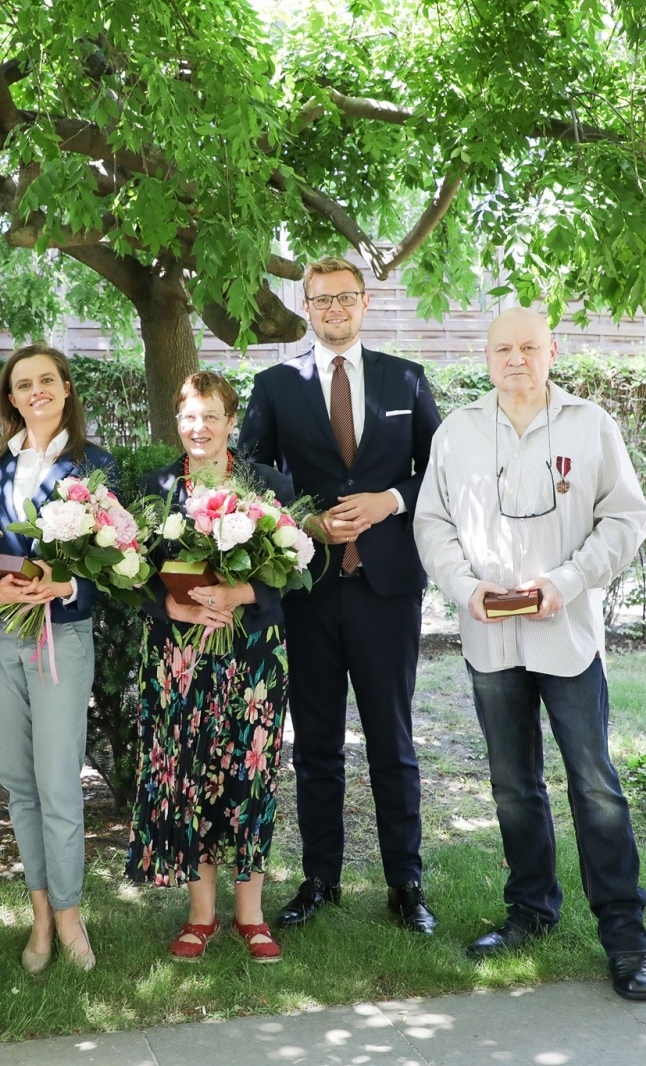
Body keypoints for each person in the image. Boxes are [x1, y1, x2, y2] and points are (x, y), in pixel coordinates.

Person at [413, 307, 646, 999]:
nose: (514, 359)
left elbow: (625, 518)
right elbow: (431, 521)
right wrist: (465, 589)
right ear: (486, 358)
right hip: (491, 638)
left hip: (568, 636)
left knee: (595, 785)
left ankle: (623, 931)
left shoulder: (591, 425)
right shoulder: (458, 432)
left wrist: (566, 581)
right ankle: (531, 910)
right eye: (502, 349)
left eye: (528, 346)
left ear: (552, 351)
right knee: (513, 785)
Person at [238, 257, 443, 933]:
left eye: (344, 298)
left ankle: (405, 883)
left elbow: (441, 471)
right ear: (306, 305)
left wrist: (389, 499)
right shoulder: (274, 383)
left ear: (364, 302)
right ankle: (319, 878)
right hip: (309, 589)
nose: (333, 309)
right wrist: (305, 518)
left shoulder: (405, 379)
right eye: (321, 300)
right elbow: (246, 470)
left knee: (394, 742)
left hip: (387, 588)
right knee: (317, 744)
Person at [126, 372, 296, 963]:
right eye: (189, 417)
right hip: (179, 656)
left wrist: (242, 594)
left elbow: (293, 572)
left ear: (231, 421)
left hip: (251, 658)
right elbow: (132, 572)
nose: (199, 428)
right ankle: (201, 915)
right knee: (191, 776)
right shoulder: (154, 490)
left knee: (249, 778)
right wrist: (166, 602)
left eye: (211, 416)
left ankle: (250, 914)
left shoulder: (267, 485)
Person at [0, 343, 118, 973]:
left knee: (59, 785)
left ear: (65, 388)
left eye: (46, 380)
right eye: (23, 384)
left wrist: (70, 585)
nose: (36, 392)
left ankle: (70, 916)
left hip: (63, 635)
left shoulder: (97, 465)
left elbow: (118, 561)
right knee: (18, 784)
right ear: (11, 396)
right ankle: (38, 918)